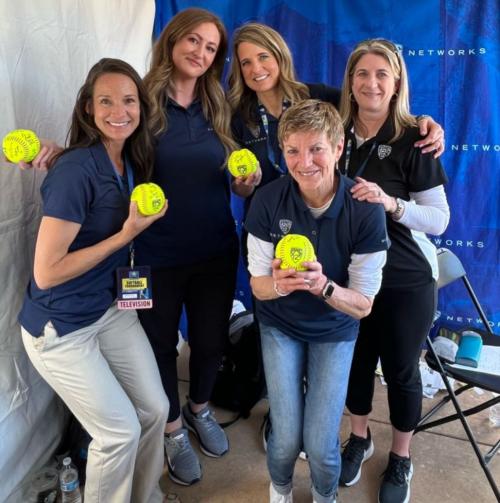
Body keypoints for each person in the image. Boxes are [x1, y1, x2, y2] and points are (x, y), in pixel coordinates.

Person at [18, 58, 169, 503]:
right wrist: (124, 236)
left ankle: (144, 496)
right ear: (88, 108)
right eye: (106, 101)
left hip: (108, 310)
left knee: (156, 409)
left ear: (141, 106)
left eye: (128, 100)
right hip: (60, 328)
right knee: (118, 431)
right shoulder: (74, 170)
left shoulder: (129, 161)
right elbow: (46, 273)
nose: (118, 111)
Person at [245, 98, 389, 503]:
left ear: (339, 148)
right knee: (286, 437)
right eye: (292, 150)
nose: (303, 162)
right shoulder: (267, 202)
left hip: (335, 328)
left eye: (315, 149)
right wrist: (282, 285)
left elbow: (363, 304)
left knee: (322, 444)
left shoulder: (364, 210)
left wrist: (324, 287)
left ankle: (326, 495)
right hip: (281, 325)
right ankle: (281, 490)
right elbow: (257, 286)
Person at [337, 39, 450, 503]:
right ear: (350, 81)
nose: (371, 82)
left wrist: (390, 203)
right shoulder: (335, 129)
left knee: (401, 370)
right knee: (356, 363)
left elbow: (440, 220)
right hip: (349, 275)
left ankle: (401, 457)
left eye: (382, 73)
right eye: (362, 73)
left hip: (404, 279)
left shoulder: (414, 137)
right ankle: (359, 440)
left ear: (397, 81)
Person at [136, 8, 239, 486]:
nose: (200, 52)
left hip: (215, 250)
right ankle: (173, 429)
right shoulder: (141, 103)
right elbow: (100, 148)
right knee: (158, 345)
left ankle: (200, 408)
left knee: (211, 341)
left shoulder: (222, 104)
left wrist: (249, 181)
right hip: (155, 254)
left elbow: (239, 180)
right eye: (193, 41)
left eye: (211, 47)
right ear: (172, 41)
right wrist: (53, 153)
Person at [227, 22, 444, 206]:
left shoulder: (316, 96)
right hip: (265, 224)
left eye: (263, 57)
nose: (256, 69)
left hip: (318, 222)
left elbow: (371, 101)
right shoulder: (239, 117)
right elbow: (241, 190)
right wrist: (244, 185)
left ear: (280, 56)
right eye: (246, 62)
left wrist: (421, 122)